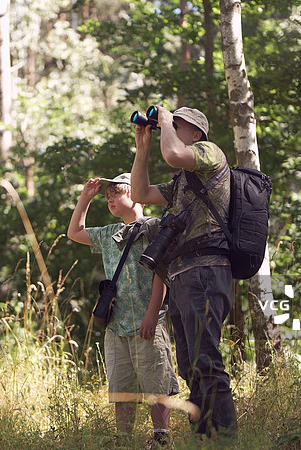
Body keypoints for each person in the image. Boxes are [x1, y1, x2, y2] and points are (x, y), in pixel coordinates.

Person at [130, 106, 237, 437]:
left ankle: (226, 441)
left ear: (196, 134)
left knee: (207, 362)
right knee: (192, 367)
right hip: (182, 277)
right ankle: (203, 437)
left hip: (206, 271)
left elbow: (175, 154)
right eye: (169, 123)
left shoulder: (209, 153)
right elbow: (139, 194)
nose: (170, 127)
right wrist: (143, 146)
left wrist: (163, 118)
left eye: (178, 124)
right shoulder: (180, 183)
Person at [67, 173, 179, 445]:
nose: (110, 200)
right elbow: (75, 232)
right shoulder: (108, 234)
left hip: (147, 321)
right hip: (116, 325)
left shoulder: (154, 228)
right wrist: (85, 198)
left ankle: (162, 438)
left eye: (116, 193)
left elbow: (160, 273)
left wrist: (152, 314)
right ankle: (124, 438)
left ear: (134, 195)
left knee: (157, 381)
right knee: (121, 386)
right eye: (107, 197)